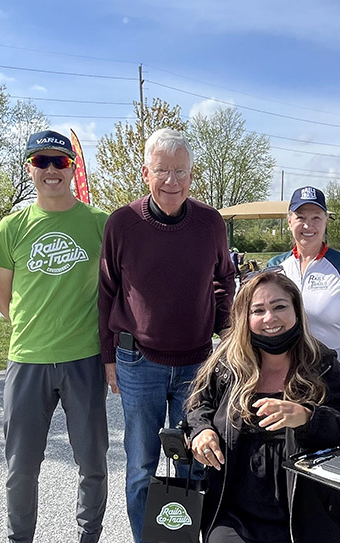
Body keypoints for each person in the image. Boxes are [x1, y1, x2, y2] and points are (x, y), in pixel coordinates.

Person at [99, 128, 236, 543]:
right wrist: (108, 357)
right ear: (146, 173)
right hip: (139, 361)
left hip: (197, 362)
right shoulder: (122, 223)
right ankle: (148, 540)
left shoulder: (209, 222)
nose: (172, 181)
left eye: (181, 171)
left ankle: (185, 537)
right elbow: (107, 291)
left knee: (195, 461)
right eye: (162, 171)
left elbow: (224, 279)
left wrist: (225, 333)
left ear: (192, 176)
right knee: (141, 465)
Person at [0, 130, 110, 543]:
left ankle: (88, 536)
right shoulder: (12, 227)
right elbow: (4, 299)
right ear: (30, 169)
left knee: (92, 461)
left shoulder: (99, 224)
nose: (52, 169)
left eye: (60, 161)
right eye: (42, 161)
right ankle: (19, 538)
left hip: (84, 359)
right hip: (28, 360)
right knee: (21, 466)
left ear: (73, 167)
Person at [185, 271, 340, 543]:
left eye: (280, 306)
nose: (270, 318)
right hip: (235, 513)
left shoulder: (322, 363)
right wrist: (201, 431)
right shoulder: (227, 366)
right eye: (258, 310)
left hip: (311, 514)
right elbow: (199, 406)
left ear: (296, 310)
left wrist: (307, 418)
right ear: (245, 318)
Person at [267, 186, 340, 360]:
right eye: (300, 217)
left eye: (316, 217)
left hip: (335, 372)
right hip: (287, 372)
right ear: (289, 221)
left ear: (326, 221)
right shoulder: (275, 267)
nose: (308, 225)